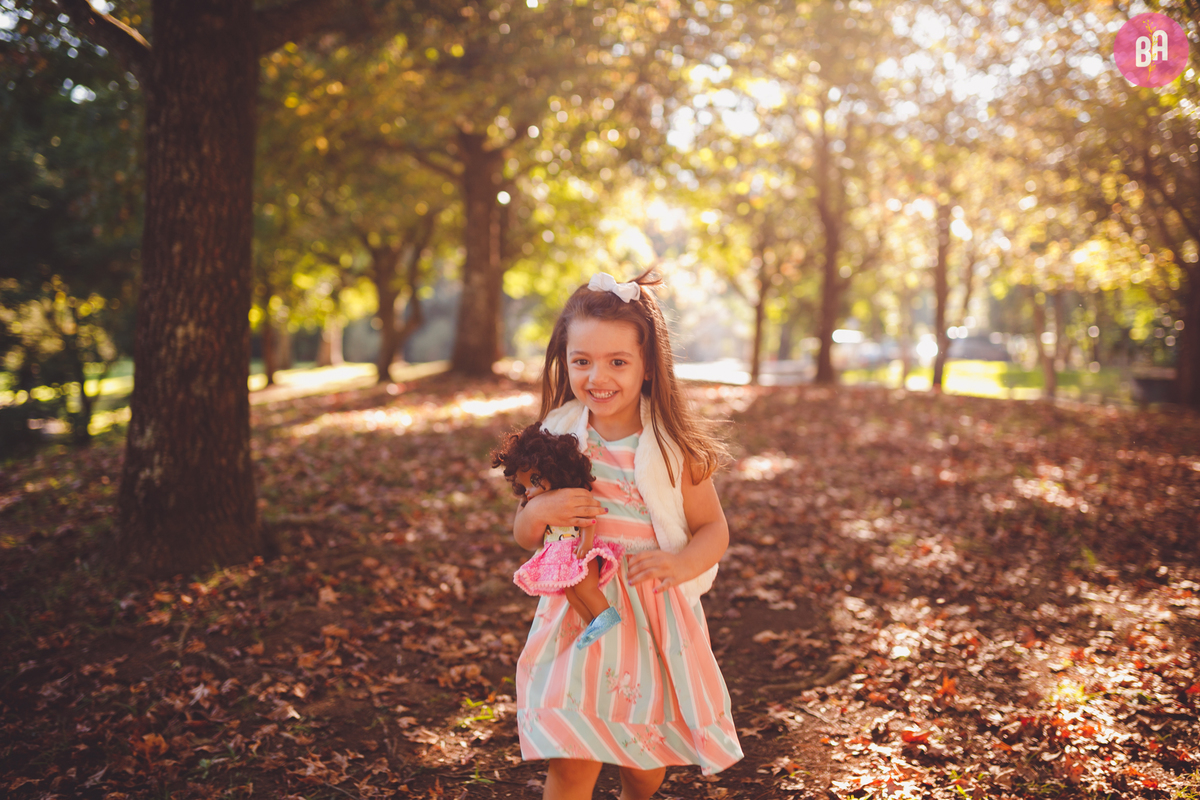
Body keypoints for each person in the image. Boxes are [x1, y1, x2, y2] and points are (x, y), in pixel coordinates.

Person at [511, 270, 744, 800]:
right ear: (565, 361)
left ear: (647, 369)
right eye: (582, 361)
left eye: (618, 361)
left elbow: (714, 528)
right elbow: (526, 532)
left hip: (650, 615)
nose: (599, 376)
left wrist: (680, 564)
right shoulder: (556, 438)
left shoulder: (670, 449)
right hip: (576, 615)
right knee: (571, 757)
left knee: (642, 764)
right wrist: (542, 506)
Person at [493, 424, 625, 648]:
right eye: (524, 486)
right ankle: (592, 625)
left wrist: (585, 542)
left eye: (533, 482)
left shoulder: (573, 496)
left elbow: (589, 517)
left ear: (554, 470)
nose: (528, 492)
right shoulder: (545, 505)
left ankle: (606, 616)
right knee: (572, 595)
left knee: (585, 589)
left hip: (581, 551)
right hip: (565, 556)